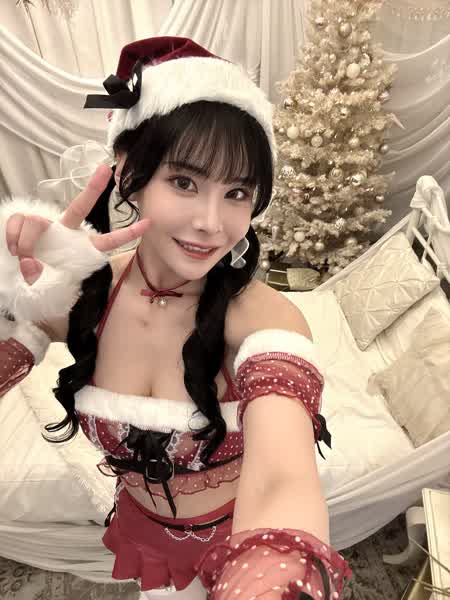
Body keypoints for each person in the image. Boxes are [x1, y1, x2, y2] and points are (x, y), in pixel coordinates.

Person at [0, 37, 352, 599]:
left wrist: (270, 581)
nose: (212, 223)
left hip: (236, 546)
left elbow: (283, 481)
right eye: (184, 182)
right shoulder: (77, 296)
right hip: (146, 534)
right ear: (129, 173)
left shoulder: (264, 322)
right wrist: (11, 289)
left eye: (237, 193)